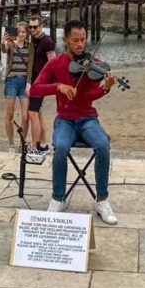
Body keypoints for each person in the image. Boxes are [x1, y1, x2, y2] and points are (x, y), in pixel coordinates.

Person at [31, 19, 118, 225]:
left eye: (83, 40)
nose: (80, 45)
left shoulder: (91, 63)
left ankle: (102, 200)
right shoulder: (55, 63)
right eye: (75, 40)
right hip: (65, 120)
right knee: (60, 147)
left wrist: (105, 87)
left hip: (88, 118)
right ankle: (58, 198)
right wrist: (58, 86)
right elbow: (34, 89)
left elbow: (88, 95)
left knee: (103, 145)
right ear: (66, 40)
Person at [1, 21, 32, 153]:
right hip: (12, 80)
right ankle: (11, 144)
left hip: (24, 81)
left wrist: (29, 82)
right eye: (19, 31)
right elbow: (4, 50)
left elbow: (30, 65)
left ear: (27, 33)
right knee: (9, 113)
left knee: (25, 115)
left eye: (23, 32)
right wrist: (3, 41)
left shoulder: (30, 47)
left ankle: (22, 143)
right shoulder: (11, 45)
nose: (21, 34)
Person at [27, 16, 56, 155]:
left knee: (32, 113)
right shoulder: (33, 40)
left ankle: (35, 147)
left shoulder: (47, 41)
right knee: (38, 113)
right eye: (30, 27)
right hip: (33, 82)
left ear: (41, 26)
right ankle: (43, 144)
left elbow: (53, 62)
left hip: (41, 83)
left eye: (35, 27)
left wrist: (50, 82)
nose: (33, 30)